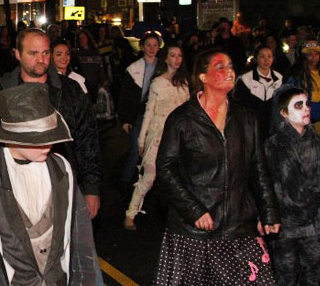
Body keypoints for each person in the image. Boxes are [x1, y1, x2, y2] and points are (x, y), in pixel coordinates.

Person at [153, 48, 280, 285]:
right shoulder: (182, 119)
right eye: (220, 67)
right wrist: (194, 210)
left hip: (238, 226)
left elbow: (258, 168)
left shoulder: (246, 117)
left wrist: (268, 211)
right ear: (203, 77)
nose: (229, 72)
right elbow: (166, 168)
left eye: (231, 66)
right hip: (194, 231)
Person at [0, 83, 102, 285]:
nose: (49, 144)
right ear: (12, 137)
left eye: (50, 136)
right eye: (39, 139)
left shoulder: (62, 169)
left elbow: (82, 241)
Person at [0, 28, 102, 219]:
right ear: (17, 54)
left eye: (45, 53)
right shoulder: (1, 92)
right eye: (33, 53)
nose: (41, 59)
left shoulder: (70, 91)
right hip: (15, 187)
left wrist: (91, 188)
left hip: (64, 184)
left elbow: (87, 138)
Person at [265, 86, 320, 286]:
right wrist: (268, 217)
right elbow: (267, 186)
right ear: (284, 113)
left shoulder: (317, 143)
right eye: (298, 105)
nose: (306, 109)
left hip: (312, 224)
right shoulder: (273, 145)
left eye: (306, 104)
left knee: (314, 273)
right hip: (284, 226)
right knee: (286, 276)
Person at [124, 45, 189, 231]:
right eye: (172, 55)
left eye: (179, 55)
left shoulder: (184, 83)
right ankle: (130, 213)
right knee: (149, 176)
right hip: (158, 134)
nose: (176, 59)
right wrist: (141, 139)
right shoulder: (157, 83)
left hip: (178, 136)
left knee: (178, 178)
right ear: (166, 58)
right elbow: (149, 112)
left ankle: (178, 218)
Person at [287, 41, 320, 191]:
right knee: (305, 153)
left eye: (316, 53)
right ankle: (305, 183)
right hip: (304, 122)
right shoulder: (297, 74)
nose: (313, 57)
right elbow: (289, 94)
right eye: (309, 54)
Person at [118, 31, 160, 189]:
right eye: (148, 45)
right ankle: (126, 183)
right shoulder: (133, 69)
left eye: (155, 45)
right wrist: (125, 119)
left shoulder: (162, 67)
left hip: (157, 114)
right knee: (136, 150)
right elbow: (125, 96)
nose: (151, 48)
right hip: (139, 115)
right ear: (142, 47)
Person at [234, 45, 283, 142]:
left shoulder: (279, 78)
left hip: (272, 127)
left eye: (269, 56)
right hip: (253, 128)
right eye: (262, 56)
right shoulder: (245, 79)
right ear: (256, 59)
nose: (266, 60)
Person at [73, 30, 107, 102]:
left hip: (94, 85)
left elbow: (100, 69)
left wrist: (103, 82)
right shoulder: (77, 55)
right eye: (80, 38)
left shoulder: (95, 53)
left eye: (83, 38)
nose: (81, 40)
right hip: (82, 86)